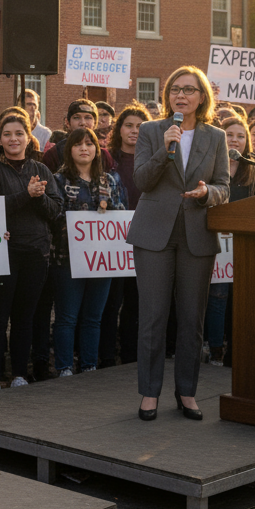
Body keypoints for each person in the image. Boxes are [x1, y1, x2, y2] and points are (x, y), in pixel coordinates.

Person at [127, 66, 228, 422]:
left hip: (196, 235)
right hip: (154, 234)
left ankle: (187, 391)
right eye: (175, 89)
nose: (180, 95)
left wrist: (206, 193)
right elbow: (142, 180)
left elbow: (223, 186)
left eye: (188, 89)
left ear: (202, 97)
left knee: (191, 319)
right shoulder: (151, 131)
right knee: (153, 317)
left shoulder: (216, 137)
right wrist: (165, 148)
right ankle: (149, 392)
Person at [0, 111, 62, 391]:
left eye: (18, 134)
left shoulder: (42, 170)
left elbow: (56, 212)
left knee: (24, 318)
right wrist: (27, 195)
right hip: (3, 252)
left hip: (36, 253)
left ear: (29, 138)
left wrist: (38, 198)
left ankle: (18, 374)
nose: (13, 139)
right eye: (7, 134)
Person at [50, 128, 127, 377]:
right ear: (69, 150)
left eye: (89, 143)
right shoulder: (58, 180)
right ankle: (64, 368)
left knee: (93, 318)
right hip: (67, 261)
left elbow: (122, 215)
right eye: (78, 144)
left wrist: (111, 208)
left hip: (101, 261)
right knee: (67, 318)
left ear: (97, 149)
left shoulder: (110, 180)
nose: (84, 148)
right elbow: (52, 217)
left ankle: (89, 367)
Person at [204, 117, 255, 367]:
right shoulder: (209, 169)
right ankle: (215, 350)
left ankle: (237, 353)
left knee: (241, 300)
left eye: (241, 136)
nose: (235, 140)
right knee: (217, 297)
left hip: (245, 248)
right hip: (216, 246)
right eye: (229, 135)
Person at [100, 103, 151, 366]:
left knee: (136, 301)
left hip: (144, 238)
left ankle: (131, 356)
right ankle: (107, 356)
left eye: (140, 127)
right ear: (119, 129)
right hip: (112, 240)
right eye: (128, 125)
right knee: (110, 301)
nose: (134, 131)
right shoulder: (106, 159)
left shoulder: (153, 160)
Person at [42, 100, 115, 172]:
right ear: (67, 122)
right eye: (77, 118)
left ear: (95, 122)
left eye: (88, 117)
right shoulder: (54, 154)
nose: (83, 123)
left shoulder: (103, 156)